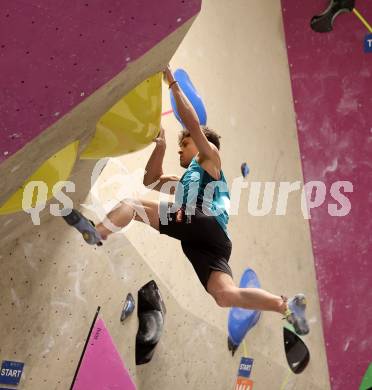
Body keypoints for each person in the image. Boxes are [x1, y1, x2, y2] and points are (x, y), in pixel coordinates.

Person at [67, 65, 309, 335]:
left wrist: (172, 83)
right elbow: (152, 179)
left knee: (132, 205)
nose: (181, 150)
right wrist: (161, 147)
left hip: (201, 221)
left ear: (199, 143)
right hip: (212, 242)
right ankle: (284, 306)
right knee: (224, 296)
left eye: (185, 145)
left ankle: (97, 232)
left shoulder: (209, 158)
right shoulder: (187, 182)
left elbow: (193, 124)